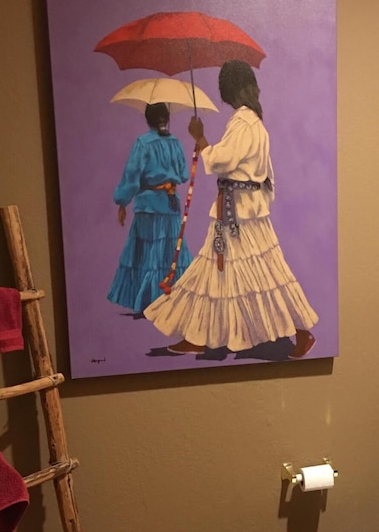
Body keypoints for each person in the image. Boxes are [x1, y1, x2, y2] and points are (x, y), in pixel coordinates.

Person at [143, 60, 317, 359]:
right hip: (241, 209)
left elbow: (224, 160)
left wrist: (200, 138)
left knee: (263, 274)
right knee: (218, 272)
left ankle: (301, 331)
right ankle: (199, 335)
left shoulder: (243, 122)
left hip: (238, 213)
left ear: (230, 89)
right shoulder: (255, 123)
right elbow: (264, 173)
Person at [107, 102, 192, 314]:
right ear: (167, 118)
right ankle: (171, 302)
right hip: (171, 206)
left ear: (148, 120)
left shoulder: (143, 144)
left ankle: (149, 301)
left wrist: (122, 201)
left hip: (148, 207)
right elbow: (182, 175)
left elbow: (131, 178)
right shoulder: (176, 143)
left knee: (148, 254)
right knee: (170, 252)